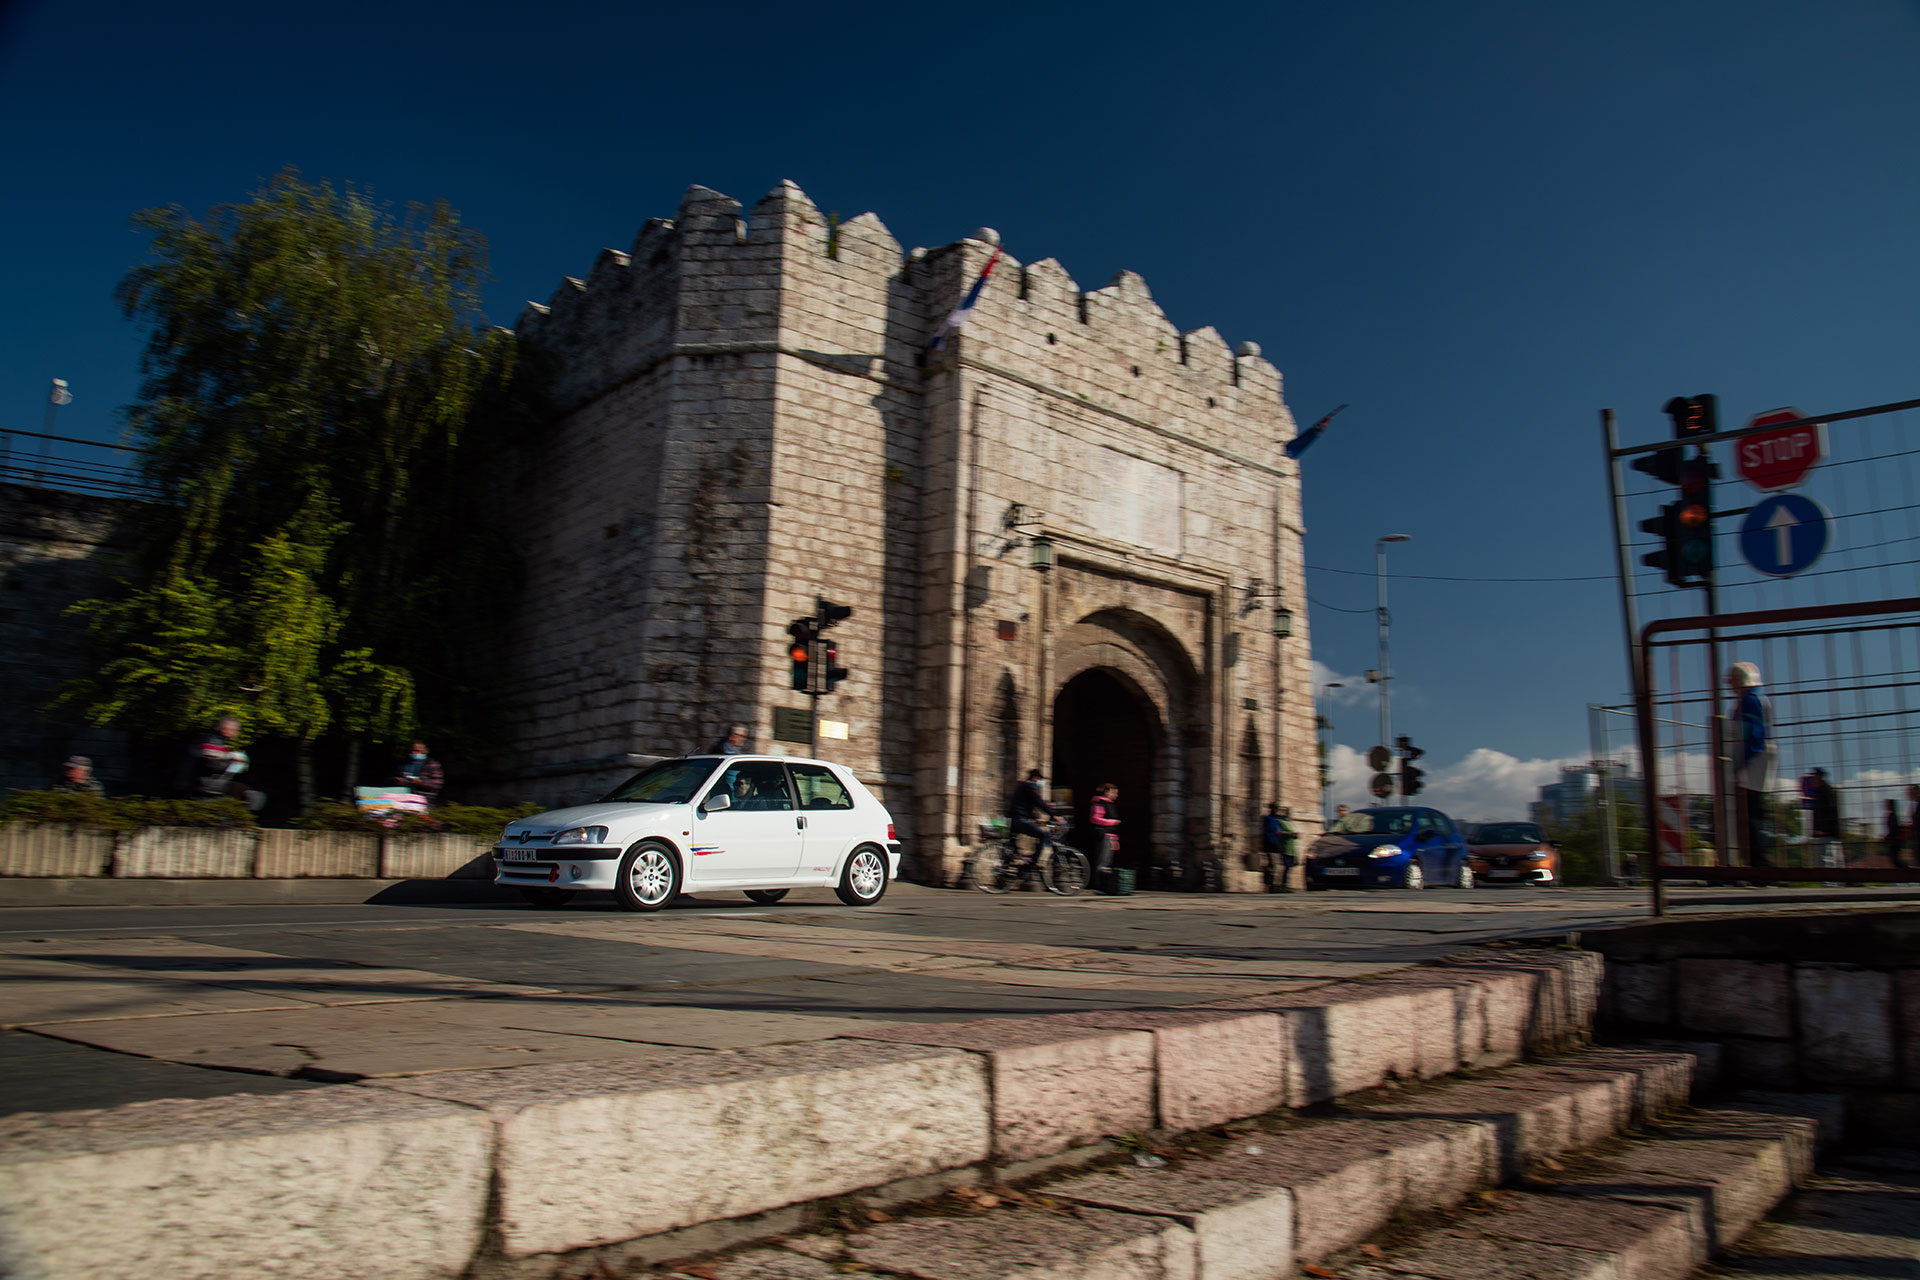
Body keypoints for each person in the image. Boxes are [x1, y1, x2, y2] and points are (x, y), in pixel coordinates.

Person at [1728, 663, 1774, 869]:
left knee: (1750, 813)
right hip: (1758, 756)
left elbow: (1752, 734)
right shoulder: (1757, 700)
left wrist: (1741, 765)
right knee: (1754, 811)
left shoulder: (1749, 701)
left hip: (1753, 759)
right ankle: (1757, 861)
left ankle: (1759, 864)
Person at [185, 715, 265, 812]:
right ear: (225, 729)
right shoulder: (212, 741)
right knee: (253, 796)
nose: (236, 733)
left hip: (210, 783)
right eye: (235, 730)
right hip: (206, 785)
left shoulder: (217, 741)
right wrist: (234, 762)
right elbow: (213, 765)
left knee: (249, 794)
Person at [1007, 768, 1058, 869]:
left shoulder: (1024, 785)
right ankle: (1035, 862)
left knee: (1013, 847)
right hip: (1020, 820)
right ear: (1035, 778)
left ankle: (1011, 867)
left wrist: (1035, 819)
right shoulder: (1030, 785)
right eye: (1040, 779)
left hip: (1015, 818)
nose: (1041, 782)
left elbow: (1025, 806)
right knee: (1044, 835)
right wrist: (1054, 815)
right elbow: (1038, 802)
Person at [1804, 768, 1841, 877]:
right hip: (1826, 831)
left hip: (1826, 832)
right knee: (1828, 858)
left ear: (1820, 777)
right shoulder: (1822, 791)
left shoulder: (1825, 792)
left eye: (1814, 776)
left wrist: (1823, 829)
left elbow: (1828, 811)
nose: (1813, 779)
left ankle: (1830, 882)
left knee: (1827, 858)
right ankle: (1832, 882)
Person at [1087, 783, 1120, 889]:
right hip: (1104, 835)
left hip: (1111, 835)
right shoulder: (1099, 803)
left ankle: (1104, 885)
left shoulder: (1110, 804)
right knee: (1102, 862)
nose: (1116, 795)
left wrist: (1115, 839)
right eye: (1114, 792)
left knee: (1108, 861)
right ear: (1106, 792)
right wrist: (1112, 822)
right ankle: (1099, 886)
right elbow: (1095, 818)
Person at [393, 740, 445, 805]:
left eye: (416, 751)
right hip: (403, 796)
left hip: (423, 798)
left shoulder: (432, 764)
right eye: (412, 751)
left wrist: (420, 782)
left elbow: (436, 784)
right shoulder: (405, 763)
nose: (413, 753)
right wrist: (398, 780)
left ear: (425, 751)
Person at [1261, 802, 1297, 892]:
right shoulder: (1268, 819)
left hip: (1277, 845)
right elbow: (1268, 832)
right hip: (1271, 845)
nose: (1276, 810)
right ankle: (1270, 885)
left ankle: (1275, 885)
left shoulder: (1276, 820)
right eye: (1275, 809)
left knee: (1277, 865)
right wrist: (1273, 840)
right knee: (1272, 865)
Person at [1883, 797, 1905, 868]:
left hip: (1894, 842)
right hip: (1895, 842)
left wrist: (1887, 838)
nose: (1886, 806)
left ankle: (1905, 872)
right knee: (1895, 860)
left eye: (1887, 804)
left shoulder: (1892, 816)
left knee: (1894, 860)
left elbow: (1893, 830)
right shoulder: (1894, 816)